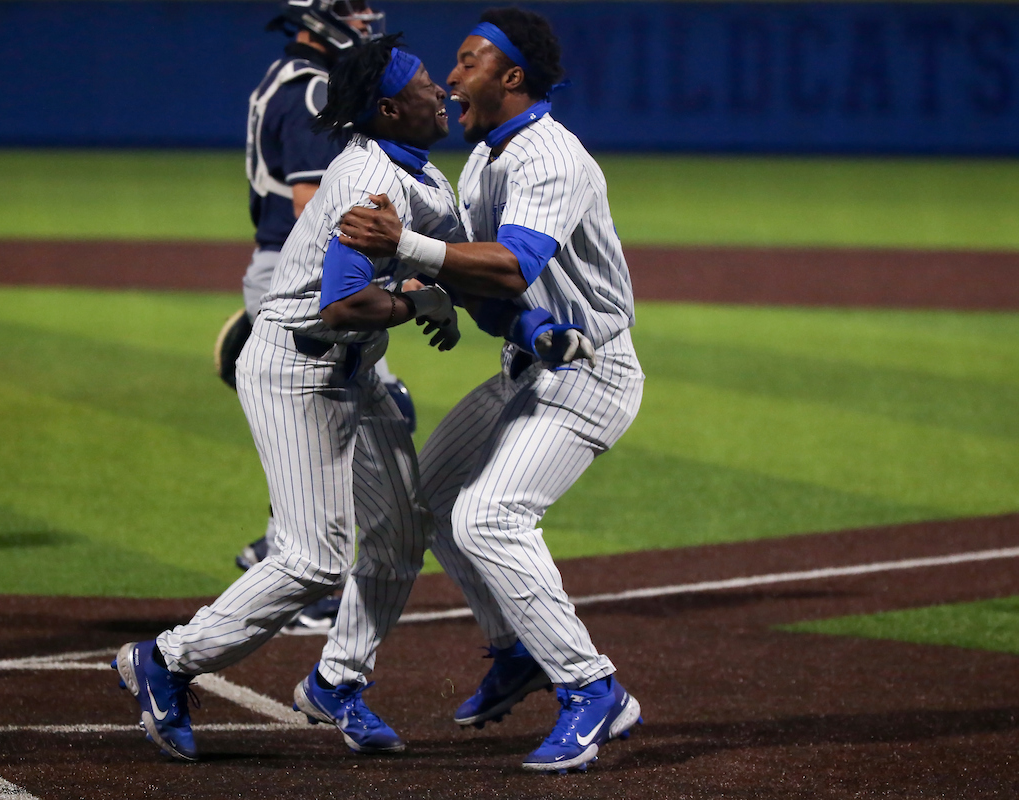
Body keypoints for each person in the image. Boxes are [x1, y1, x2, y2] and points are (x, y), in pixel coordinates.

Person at [113, 35, 463, 762]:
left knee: (400, 538)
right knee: (313, 561)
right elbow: (343, 305)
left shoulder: (425, 179)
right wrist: (419, 304)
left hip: (354, 373)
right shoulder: (372, 183)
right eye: (426, 84)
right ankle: (166, 661)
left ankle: (336, 681)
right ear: (391, 109)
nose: (440, 92)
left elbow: (460, 269)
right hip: (296, 370)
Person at [334, 7, 645, 773]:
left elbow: (508, 268)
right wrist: (477, 304)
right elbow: (483, 292)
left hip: (590, 373)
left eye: (468, 61)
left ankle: (592, 686)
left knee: (489, 517)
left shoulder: (548, 158)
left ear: (511, 77)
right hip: (533, 366)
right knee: (429, 501)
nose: (449, 77)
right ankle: (517, 652)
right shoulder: (484, 159)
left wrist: (405, 247)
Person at [213, 0, 415, 635]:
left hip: (278, 271)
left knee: (348, 420)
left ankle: (274, 546)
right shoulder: (312, 90)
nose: (366, 16)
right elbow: (311, 209)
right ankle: (291, 567)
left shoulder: (289, 76)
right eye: (351, 6)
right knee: (340, 424)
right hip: (295, 277)